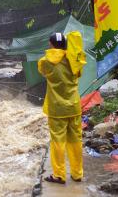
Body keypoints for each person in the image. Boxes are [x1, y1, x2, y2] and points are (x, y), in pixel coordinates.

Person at [38, 32, 84, 184]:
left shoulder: (45, 61)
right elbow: (79, 73)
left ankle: (59, 175)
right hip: (74, 106)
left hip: (57, 108)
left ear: (51, 44)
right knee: (75, 140)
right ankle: (77, 174)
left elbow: (43, 72)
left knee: (57, 141)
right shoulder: (74, 60)